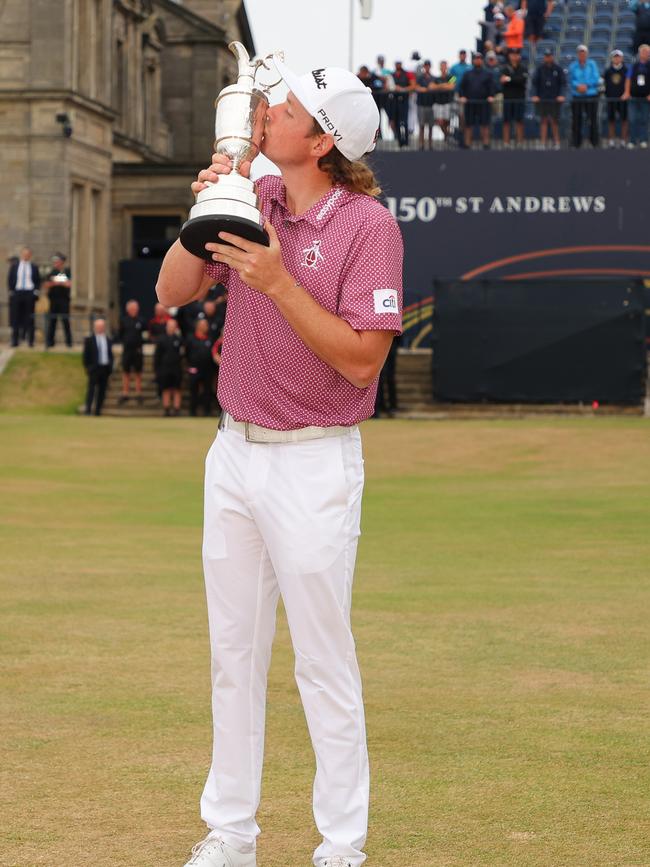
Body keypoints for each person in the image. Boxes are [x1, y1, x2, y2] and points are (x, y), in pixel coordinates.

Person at [156, 58, 402, 867]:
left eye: (286, 105)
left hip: (315, 463)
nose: (267, 109)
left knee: (322, 662)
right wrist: (207, 205)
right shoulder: (251, 195)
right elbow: (173, 290)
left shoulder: (369, 226)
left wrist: (278, 281)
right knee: (233, 654)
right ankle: (231, 834)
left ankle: (342, 843)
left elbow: (363, 362)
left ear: (323, 140)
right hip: (234, 452)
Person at [459, 52, 496, 148]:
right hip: (470, 103)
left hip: (484, 103)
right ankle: (467, 144)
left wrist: (491, 96)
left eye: (479, 58)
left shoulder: (488, 73)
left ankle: (486, 144)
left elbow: (492, 87)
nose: (478, 60)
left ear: (482, 60)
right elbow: (461, 87)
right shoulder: (467, 74)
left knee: (485, 124)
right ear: (473, 60)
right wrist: (462, 96)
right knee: (468, 124)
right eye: (476, 58)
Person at [531, 48, 566, 148]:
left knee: (554, 121)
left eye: (549, 56)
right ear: (544, 57)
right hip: (543, 98)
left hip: (555, 99)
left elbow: (563, 83)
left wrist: (561, 95)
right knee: (543, 121)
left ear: (552, 57)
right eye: (546, 56)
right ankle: (542, 143)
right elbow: (534, 83)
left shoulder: (558, 69)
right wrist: (534, 95)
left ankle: (557, 142)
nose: (548, 58)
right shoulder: (540, 69)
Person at [568, 45, 600, 148]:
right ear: (578, 54)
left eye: (583, 52)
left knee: (592, 119)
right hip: (577, 95)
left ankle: (594, 142)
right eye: (580, 53)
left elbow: (596, 78)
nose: (582, 54)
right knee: (576, 119)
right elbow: (570, 79)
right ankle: (576, 142)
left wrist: (586, 85)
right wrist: (578, 86)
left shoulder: (592, 64)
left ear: (587, 54)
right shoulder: (573, 66)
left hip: (591, 95)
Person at [7, 247, 40, 347]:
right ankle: (15, 341)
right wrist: (11, 292)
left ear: (30, 255)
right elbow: (10, 279)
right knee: (15, 318)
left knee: (30, 318)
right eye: (24, 254)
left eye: (28, 254)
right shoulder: (15, 266)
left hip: (29, 293)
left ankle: (30, 341)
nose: (26, 256)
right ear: (21, 254)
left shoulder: (34, 267)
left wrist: (35, 292)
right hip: (17, 293)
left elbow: (38, 280)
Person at [186, 318, 217, 417]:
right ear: (198, 326)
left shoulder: (210, 339)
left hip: (207, 369)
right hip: (194, 368)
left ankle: (207, 410)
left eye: (207, 325)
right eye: (204, 325)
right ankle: (192, 411)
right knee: (193, 389)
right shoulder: (191, 338)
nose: (206, 327)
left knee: (207, 390)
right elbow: (187, 353)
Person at [82, 318, 113, 416]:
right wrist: (88, 368)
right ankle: (88, 409)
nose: (100, 328)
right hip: (94, 369)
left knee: (102, 391)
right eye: (98, 327)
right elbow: (86, 355)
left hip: (105, 368)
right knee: (91, 390)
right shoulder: (89, 340)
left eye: (102, 327)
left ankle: (98, 410)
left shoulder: (107, 339)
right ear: (95, 328)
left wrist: (110, 365)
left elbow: (110, 354)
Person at [154, 317, 184, 416]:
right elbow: (157, 355)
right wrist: (157, 369)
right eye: (170, 326)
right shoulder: (161, 339)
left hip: (176, 367)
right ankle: (166, 408)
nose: (171, 328)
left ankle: (176, 409)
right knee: (166, 388)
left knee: (177, 388)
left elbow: (182, 354)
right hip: (164, 367)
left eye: (173, 326)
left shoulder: (179, 339)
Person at [118, 299, 146, 404]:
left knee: (138, 371)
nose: (134, 310)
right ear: (128, 309)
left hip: (138, 350)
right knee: (126, 371)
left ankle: (138, 393)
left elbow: (145, 334)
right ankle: (125, 392)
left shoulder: (141, 321)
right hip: (127, 350)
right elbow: (120, 334)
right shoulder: (123, 320)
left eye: (135, 308)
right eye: (132, 308)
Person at [500, 48, 529, 145]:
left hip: (519, 98)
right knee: (506, 121)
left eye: (516, 54)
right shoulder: (504, 68)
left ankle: (520, 142)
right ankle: (506, 142)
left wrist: (509, 79)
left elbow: (522, 80)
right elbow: (502, 81)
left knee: (519, 121)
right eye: (512, 54)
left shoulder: (523, 68)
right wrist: (513, 80)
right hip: (507, 98)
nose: (514, 56)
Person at [624, 43, 650, 147]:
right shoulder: (634, 66)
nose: (646, 53)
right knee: (632, 119)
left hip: (646, 98)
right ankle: (632, 141)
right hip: (633, 97)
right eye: (644, 51)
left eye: (647, 52)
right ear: (639, 53)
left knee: (644, 119)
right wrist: (627, 92)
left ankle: (644, 140)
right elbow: (628, 79)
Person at [44, 253, 72, 347]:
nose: (56, 263)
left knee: (65, 321)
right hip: (53, 300)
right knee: (52, 321)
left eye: (58, 261)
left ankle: (69, 342)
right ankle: (50, 342)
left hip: (64, 300)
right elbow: (47, 284)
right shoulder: (52, 272)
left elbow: (69, 283)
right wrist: (58, 281)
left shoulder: (67, 271)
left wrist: (57, 281)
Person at [604, 50, 630, 147]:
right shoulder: (608, 71)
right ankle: (611, 140)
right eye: (615, 57)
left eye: (618, 57)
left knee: (624, 119)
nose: (617, 58)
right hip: (611, 99)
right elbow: (604, 84)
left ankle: (623, 140)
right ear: (612, 58)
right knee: (611, 120)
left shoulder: (626, 70)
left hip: (623, 99)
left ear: (622, 58)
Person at [432, 60, 456, 143]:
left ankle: (448, 137)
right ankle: (448, 135)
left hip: (448, 102)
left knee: (447, 120)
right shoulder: (436, 78)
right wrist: (444, 85)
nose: (443, 68)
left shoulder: (452, 77)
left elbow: (451, 87)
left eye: (444, 66)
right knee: (439, 121)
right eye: (441, 66)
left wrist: (439, 86)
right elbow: (431, 87)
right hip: (438, 102)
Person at [415, 59, 436, 150]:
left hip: (431, 104)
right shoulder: (420, 78)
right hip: (421, 104)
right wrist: (425, 89)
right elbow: (416, 87)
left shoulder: (433, 78)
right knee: (421, 125)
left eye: (428, 65)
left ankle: (430, 145)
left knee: (431, 126)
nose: (427, 67)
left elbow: (452, 80)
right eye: (426, 65)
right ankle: (421, 144)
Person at [392, 60, 412, 147]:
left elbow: (412, 85)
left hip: (404, 100)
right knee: (396, 122)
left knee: (405, 121)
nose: (398, 65)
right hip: (395, 101)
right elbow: (389, 85)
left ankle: (406, 141)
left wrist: (402, 89)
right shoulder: (392, 75)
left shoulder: (406, 74)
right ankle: (400, 141)